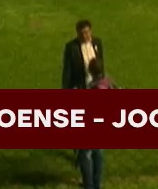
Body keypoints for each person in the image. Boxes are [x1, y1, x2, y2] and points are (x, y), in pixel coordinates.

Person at [76, 58, 115, 189]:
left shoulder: (94, 88)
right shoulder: (107, 83)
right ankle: (96, 183)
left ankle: (89, 185)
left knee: (85, 154)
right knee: (98, 153)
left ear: (90, 70)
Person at [61, 20, 105, 90]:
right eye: (81, 34)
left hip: (96, 83)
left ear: (91, 31)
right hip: (81, 84)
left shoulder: (97, 42)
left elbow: (100, 63)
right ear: (77, 33)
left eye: (86, 33)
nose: (84, 36)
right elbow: (67, 70)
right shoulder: (71, 47)